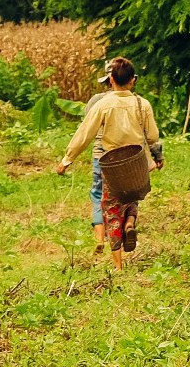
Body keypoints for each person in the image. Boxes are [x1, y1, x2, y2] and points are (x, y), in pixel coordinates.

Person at [56, 57, 163, 269]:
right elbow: (152, 136)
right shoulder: (143, 104)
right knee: (133, 196)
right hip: (136, 161)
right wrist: (158, 156)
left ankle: (118, 266)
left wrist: (66, 160)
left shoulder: (103, 104)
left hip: (113, 164)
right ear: (133, 80)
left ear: (111, 79)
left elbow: (84, 134)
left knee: (112, 209)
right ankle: (131, 222)